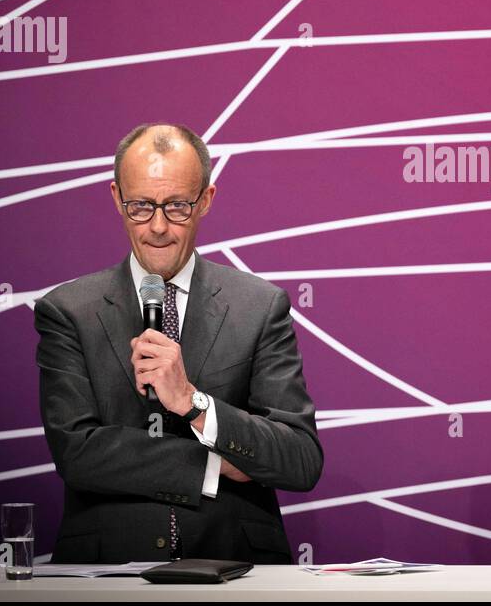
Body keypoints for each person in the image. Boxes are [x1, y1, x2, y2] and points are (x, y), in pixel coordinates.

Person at [35, 122, 322, 564]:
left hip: (237, 569)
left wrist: (193, 402)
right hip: (105, 570)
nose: (158, 227)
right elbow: (78, 454)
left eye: (177, 206)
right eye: (140, 206)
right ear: (116, 197)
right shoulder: (68, 310)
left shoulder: (260, 307)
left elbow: (298, 459)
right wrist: (213, 466)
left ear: (206, 200)